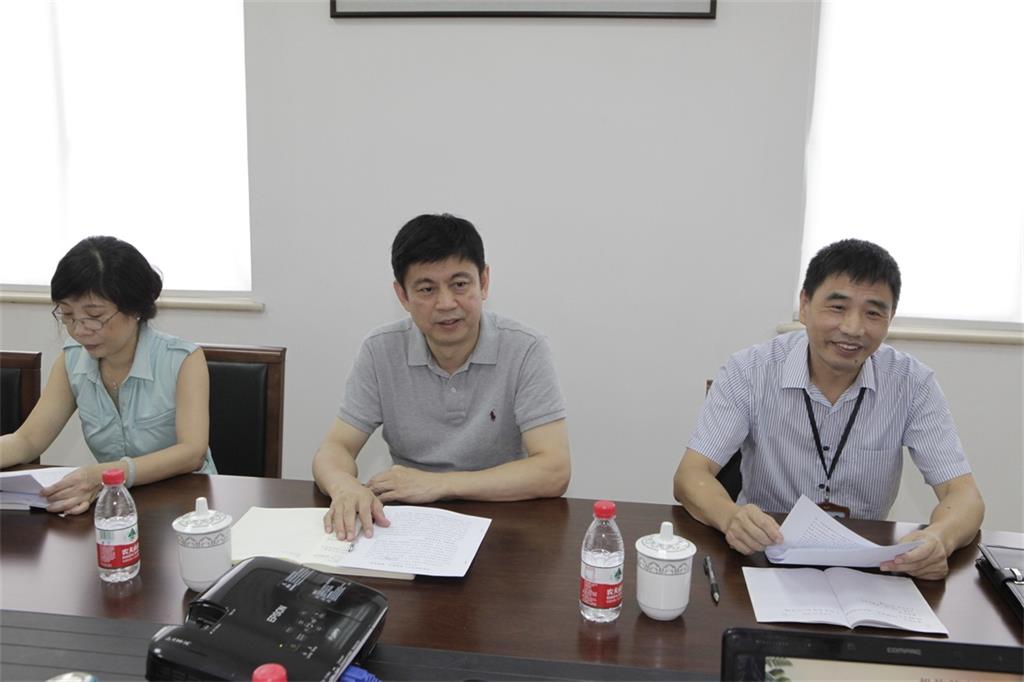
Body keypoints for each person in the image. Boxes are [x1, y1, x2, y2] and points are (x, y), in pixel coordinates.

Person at [673, 239, 984, 580]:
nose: (853, 328)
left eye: (873, 313)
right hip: (763, 555)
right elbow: (691, 475)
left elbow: (964, 495)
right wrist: (731, 517)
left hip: (867, 565)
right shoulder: (750, 371)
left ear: (890, 318)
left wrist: (939, 538)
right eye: (837, 307)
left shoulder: (912, 383)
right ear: (805, 305)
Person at [313, 214, 571, 540]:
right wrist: (345, 487)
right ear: (402, 296)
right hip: (407, 524)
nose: (446, 303)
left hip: (505, 524)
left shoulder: (525, 349)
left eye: (460, 284)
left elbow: (554, 470)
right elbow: (335, 448)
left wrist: (438, 484)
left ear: (484, 282)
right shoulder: (380, 350)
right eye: (426, 289)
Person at [0, 236, 216, 514]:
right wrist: (103, 479)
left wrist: (103, 475)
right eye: (67, 315)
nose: (79, 330)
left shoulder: (182, 359)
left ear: (135, 309)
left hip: (190, 505)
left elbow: (192, 452)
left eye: (95, 316)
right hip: (114, 507)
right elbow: (27, 440)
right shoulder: (71, 361)